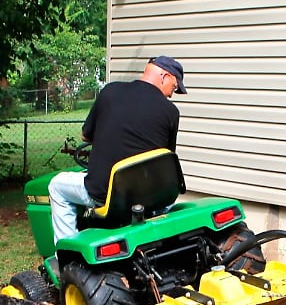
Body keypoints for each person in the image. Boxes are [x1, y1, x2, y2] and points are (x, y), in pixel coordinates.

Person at [48, 55, 187, 242]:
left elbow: (85, 135)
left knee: (57, 185)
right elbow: (164, 158)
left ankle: (66, 256)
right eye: (174, 86)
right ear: (164, 76)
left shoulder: (110, 92)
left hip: (107, 195)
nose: (171, 94)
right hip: (150, 197)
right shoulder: (171, 112)